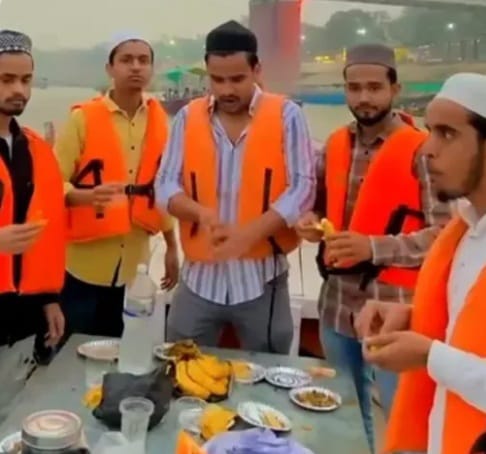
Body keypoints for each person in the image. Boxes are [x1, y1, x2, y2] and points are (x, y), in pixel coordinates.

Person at [295, 44, 450, 453]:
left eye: (374, 87)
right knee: (341, 409)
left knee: (401, 419)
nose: (364, 98)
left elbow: (445, 234)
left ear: (395, 89)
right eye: (354, 88)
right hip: (335, 305)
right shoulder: (334, 144)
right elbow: (318, 203)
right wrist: (310, 222)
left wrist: (373, 248)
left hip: (394, 310)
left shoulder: (424, 150)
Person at [155, 20, 315, 354]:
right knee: (179, 369)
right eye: (217, 79)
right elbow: (165, 185)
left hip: (262, 282)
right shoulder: (187, 117)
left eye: (237, 79)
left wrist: (248, 234)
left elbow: (303, 188)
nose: (227, 89)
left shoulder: (287, 116)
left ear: (257, 70)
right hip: (198, 280)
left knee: (268, 375)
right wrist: (198, 211)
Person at [356, 73, 486, 454]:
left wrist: (428, 355)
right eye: (430, 131)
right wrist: (412, 317)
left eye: (447, 134)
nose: (428, 149)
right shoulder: (466, 232)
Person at [55, 33, 179, 338]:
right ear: (110, 68)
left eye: (143, 60)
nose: (135, 67)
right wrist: (83, 197)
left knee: (120, 351)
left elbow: (161, 188)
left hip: (133, 269)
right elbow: (52, 182)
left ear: (152, 68)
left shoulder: (161, 121)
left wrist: (172, 247)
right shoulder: (82, 119)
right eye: (126, 60)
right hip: (82, 266)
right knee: (73, 353)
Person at [0, 30, 65, 419]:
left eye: (26, 80)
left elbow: (40, 227)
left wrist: (48, 298)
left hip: (19, 323)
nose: (19, 90)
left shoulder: (34, 148)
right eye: (6, 80)